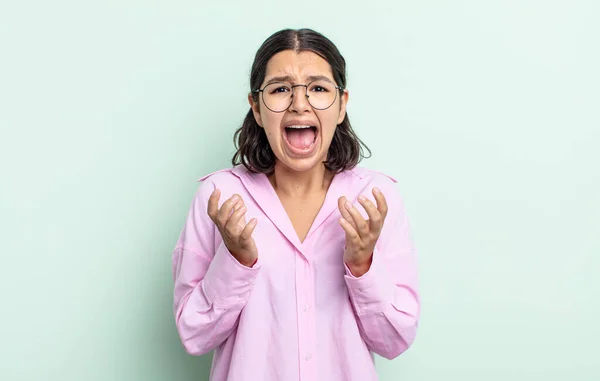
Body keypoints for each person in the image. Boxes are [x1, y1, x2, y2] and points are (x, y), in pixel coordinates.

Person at [172, 28, 420, 381]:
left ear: (341, 105)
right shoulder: (219, 198)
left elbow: (395, 340)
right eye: (280, 89)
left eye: (318, 88)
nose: (299, 103)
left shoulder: (376, 200)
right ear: (257, 108)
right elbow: (194, 335)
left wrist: (363, 263)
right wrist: (237, 261)